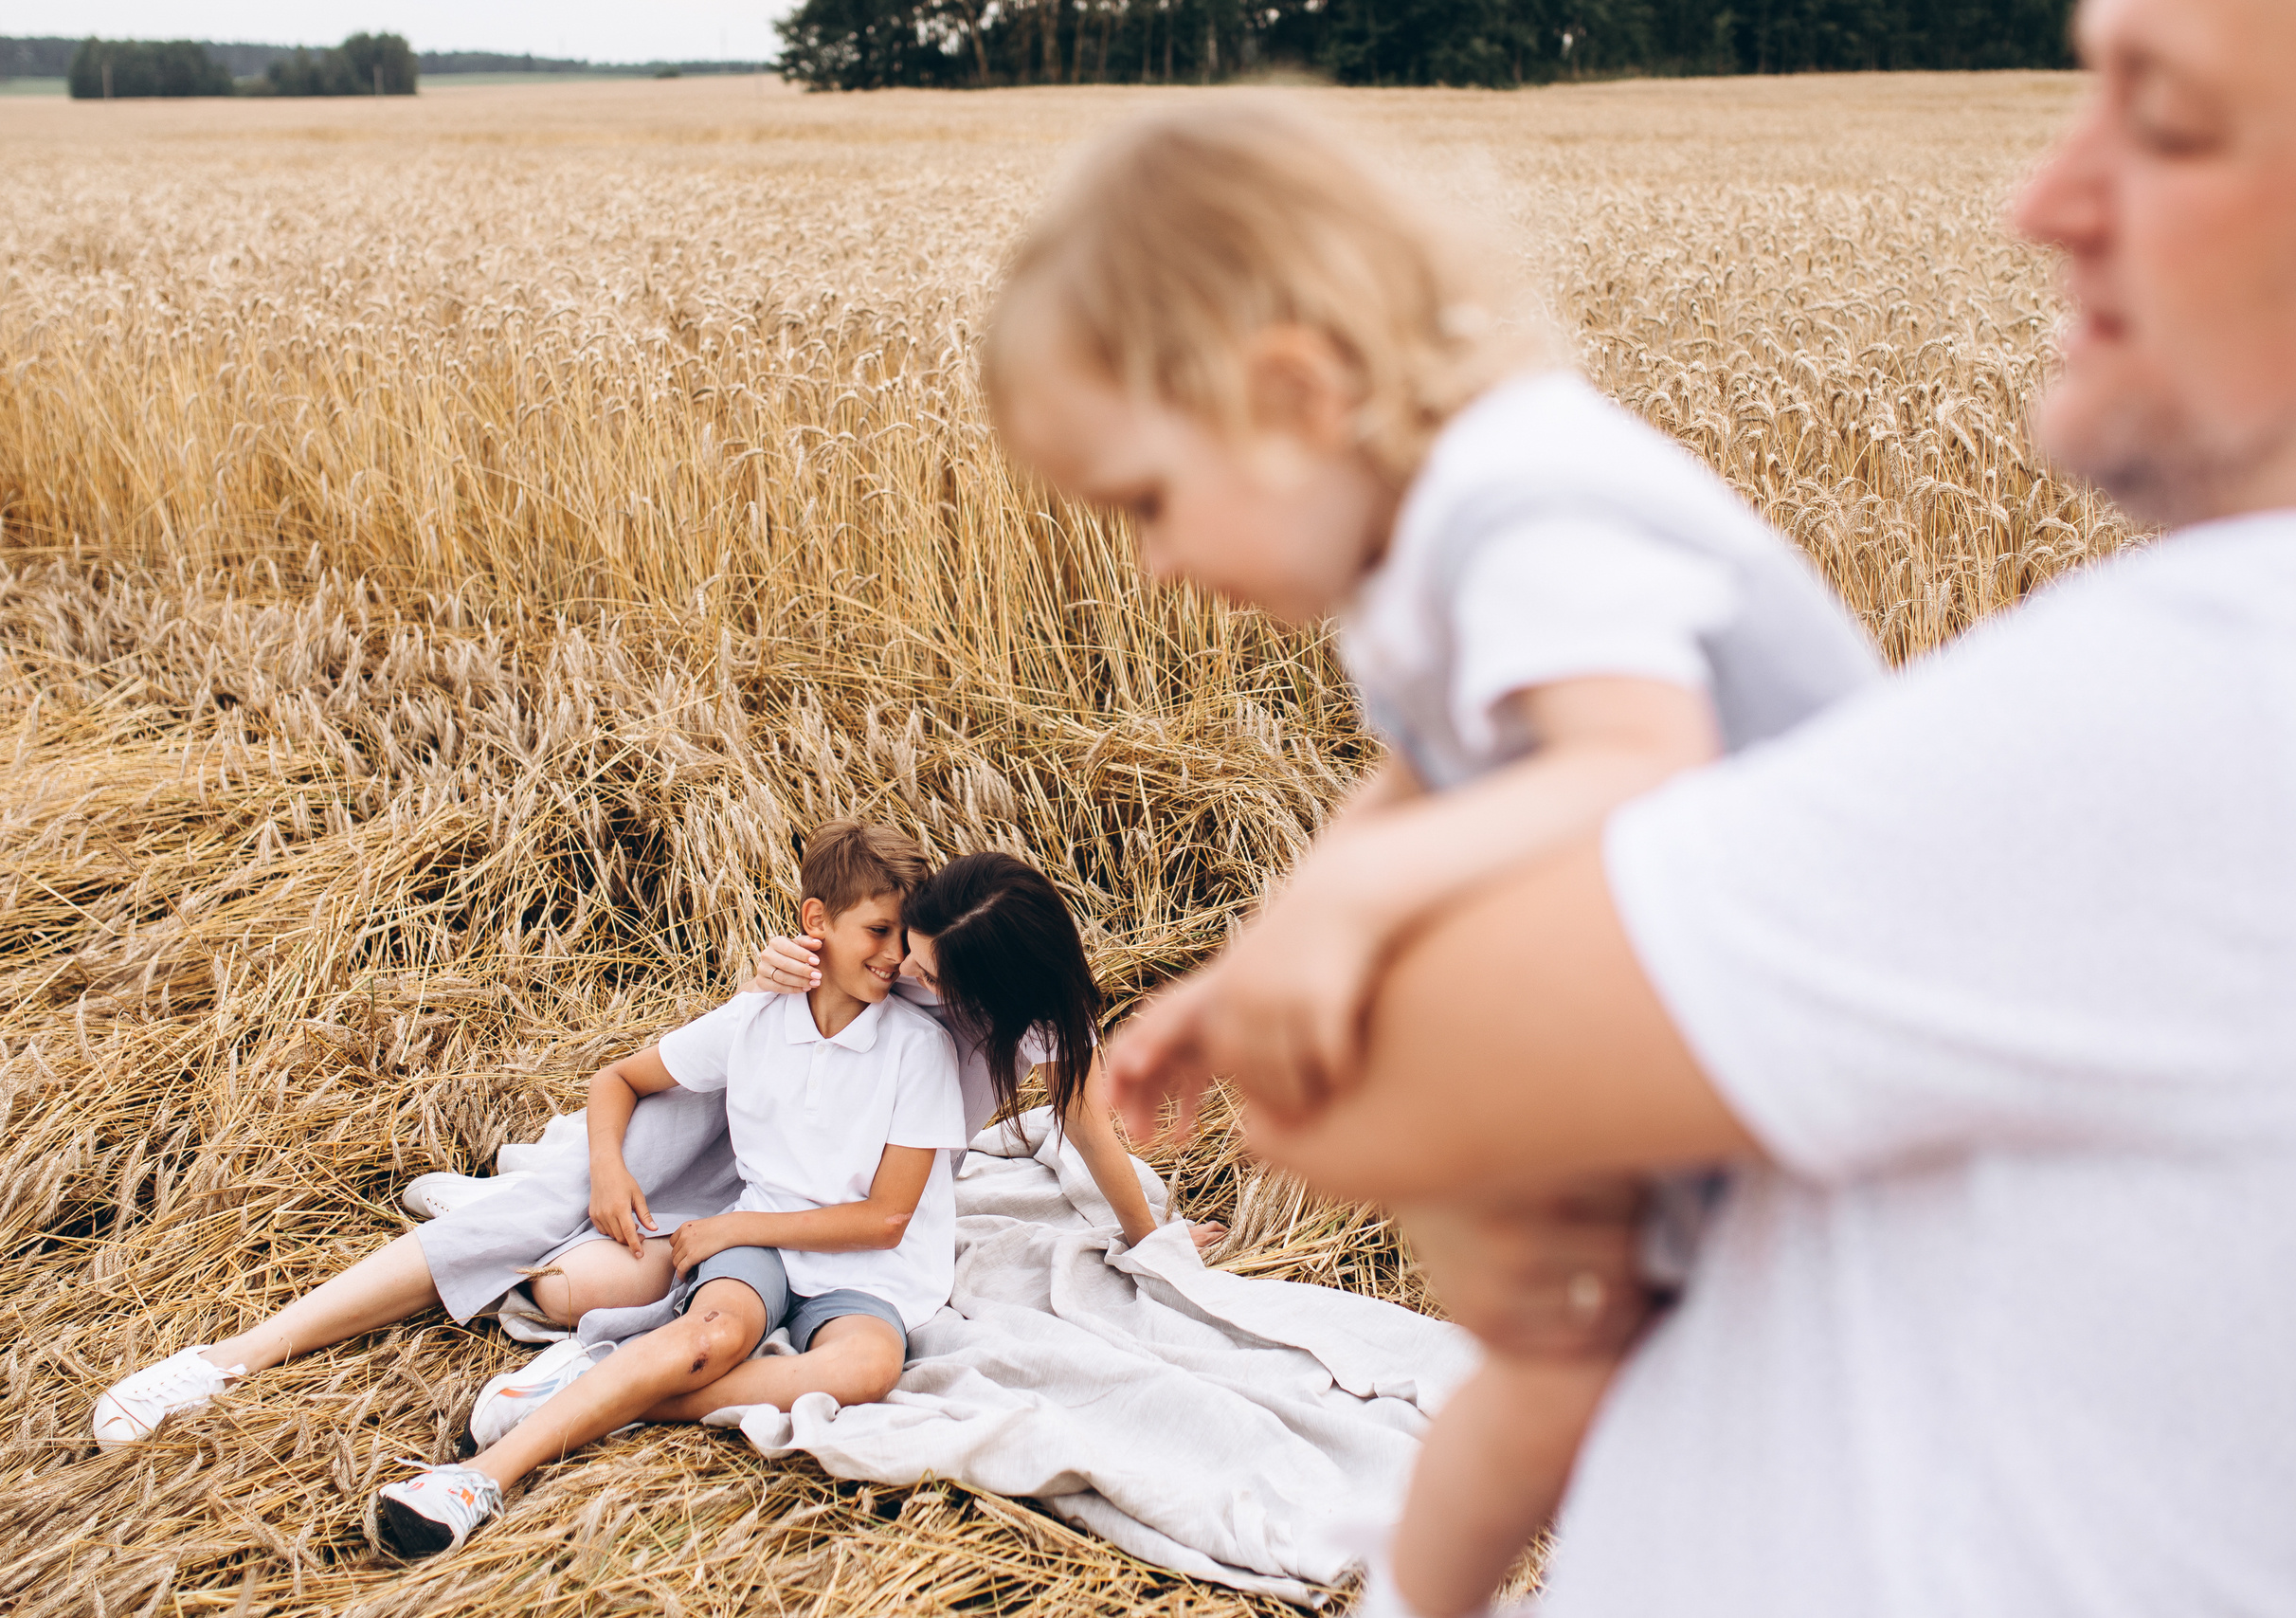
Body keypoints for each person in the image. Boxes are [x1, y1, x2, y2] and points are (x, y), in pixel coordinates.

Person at [1112, 0, 2296, 1612]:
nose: (2040, 199)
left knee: (1541, 1367)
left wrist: (1322, 953)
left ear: (1292, 390)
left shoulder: (2214, 683)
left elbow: (1341, 1094)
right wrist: (1297, 941)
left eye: (2167, 118)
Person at [983, 103, 1881, 1615]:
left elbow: (1639, 761)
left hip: (1828, 1043)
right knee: (1556, 1360)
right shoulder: (1410, 546)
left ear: (1291, 393)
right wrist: (1257, 959)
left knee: (1642, 1362)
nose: (1151, 561)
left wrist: (1348, 909)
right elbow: (1423, 773)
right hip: (1716, 1023)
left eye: (1147, 500)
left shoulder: (1526, 495)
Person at [360, 819, 968, 1554]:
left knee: (869, 1366)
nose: (896, 955)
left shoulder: (919, 1047)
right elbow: (619, 1077)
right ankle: (475, 1480)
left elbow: (885, 1220)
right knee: (711, 1335)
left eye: (904, 935)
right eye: (878, 930)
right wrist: (611, 1170)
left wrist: (734, 1227)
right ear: (817, 921)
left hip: (867, 1268)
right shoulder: (757, 1018)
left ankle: (599, 1388)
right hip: (761, 1246)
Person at [749, 849, 1225, 1254]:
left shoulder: (1042, 1017)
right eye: (908, 944)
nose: (902, 967)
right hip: (789, 1155)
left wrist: (1150, 1239)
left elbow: (1088, 1130)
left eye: (930, 976)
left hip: (890, 1194)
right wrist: (766, 980)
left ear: (996, 993)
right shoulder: (900, 951)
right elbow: (757, 1033)